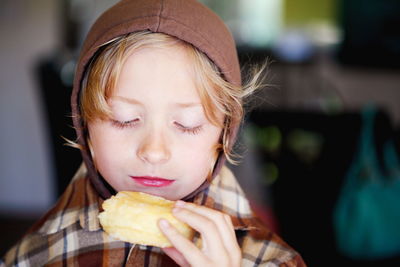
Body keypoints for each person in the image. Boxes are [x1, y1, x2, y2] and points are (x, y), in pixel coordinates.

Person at [1, 0, 306, 266]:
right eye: (125, 120)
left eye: (187, 124)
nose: (154, 151)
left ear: (223, 137)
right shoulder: (36, 253)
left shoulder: (271, 260)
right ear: (86, 130)